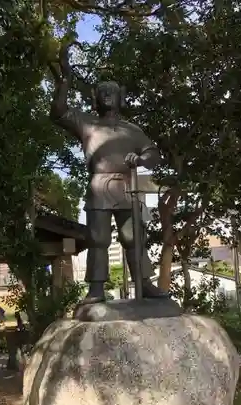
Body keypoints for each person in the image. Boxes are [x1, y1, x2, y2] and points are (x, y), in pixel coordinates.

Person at [49, 45, 167, 304]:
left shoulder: (132, 130)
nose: (107, 96)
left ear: (120, 96)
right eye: (102, 92)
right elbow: (58, 113)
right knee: (97, 238)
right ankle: (96, 289)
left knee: (134, 237)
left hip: (128, 186)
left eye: (111, 92)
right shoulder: (87, 123)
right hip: (99, 186)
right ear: (95, 97)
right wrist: (65, 78)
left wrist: (142, 159)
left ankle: (144, 284)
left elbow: (153, 154)